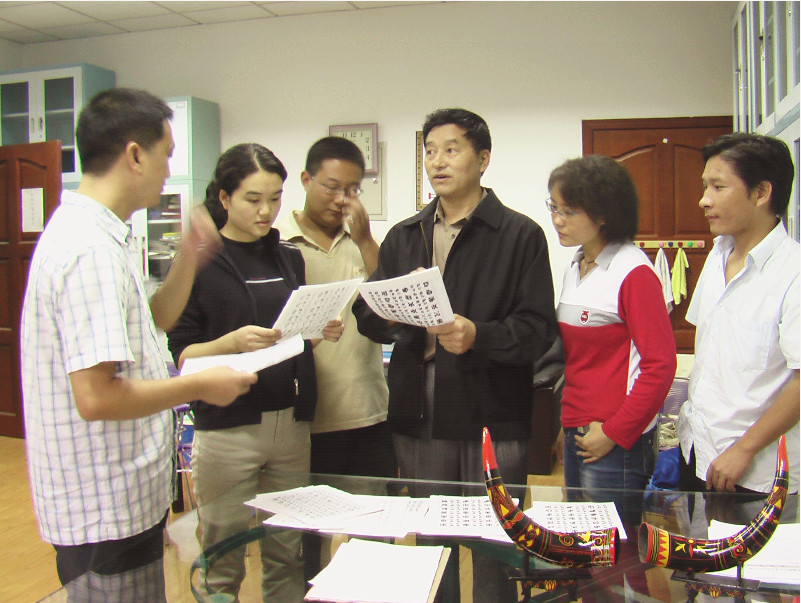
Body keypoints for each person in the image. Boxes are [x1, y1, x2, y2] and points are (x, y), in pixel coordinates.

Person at [20, 88, 257, 598]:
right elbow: (96, 396)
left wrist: (189, 256)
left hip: (121, 499)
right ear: (134, 155)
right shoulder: (88, 250)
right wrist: (199, 386)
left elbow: (151, 323)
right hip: (102, 508)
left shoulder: (107, 235)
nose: (169, 171)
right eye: (166, 155)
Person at [352, 108, 557, 600]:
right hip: (420, 402)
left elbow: (537, 330)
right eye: (429, 151)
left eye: (451, 150)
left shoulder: (519, 234)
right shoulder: (406, 235)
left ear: (482, 159)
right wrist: (392, 314)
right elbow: (367, 312)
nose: (437, 162)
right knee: (431, 536)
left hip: (493, 405)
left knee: (496, 541)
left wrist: (477, 335)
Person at [167, 143, 342, 602]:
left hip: (290, 422)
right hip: (227, 427)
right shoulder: (199, 261)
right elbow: (183, 355)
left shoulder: (287, 256)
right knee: (222, 557)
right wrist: (231, 343)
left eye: (275, 198)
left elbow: (289, 338)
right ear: (224, 198)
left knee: (287, 553)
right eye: (253, 199)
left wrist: (317, 331)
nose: (266, 210)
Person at [677, 132, 799, 495]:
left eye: (718, 187)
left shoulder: (792, 272)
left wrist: (745, 449)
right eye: (705, 186)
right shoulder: (718, 255)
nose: (704, 199)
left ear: (761, 193)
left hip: (754, 471)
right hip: (698, 450)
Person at [547, 155, 677, 493]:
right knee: (578, 526)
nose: (557, 220)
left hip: (615, 441)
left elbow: (661, 366)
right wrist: (566, 426)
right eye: (554, 208)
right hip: (578, 428)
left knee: (610, 529)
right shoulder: (576, 266)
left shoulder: (633, 273)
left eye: (568, 212)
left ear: (603, 214)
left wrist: (615, 432)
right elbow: (580, 363)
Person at [280, 136, 395, 479]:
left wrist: (365, 239)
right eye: (331, 187)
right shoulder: (278, 242)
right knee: (309, 512)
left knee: (373, 509)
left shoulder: (363, 241)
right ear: (306, 180)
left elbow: (390, 301)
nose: (342, 199)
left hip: (368, 411)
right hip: (304, 418)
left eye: (352, 190)